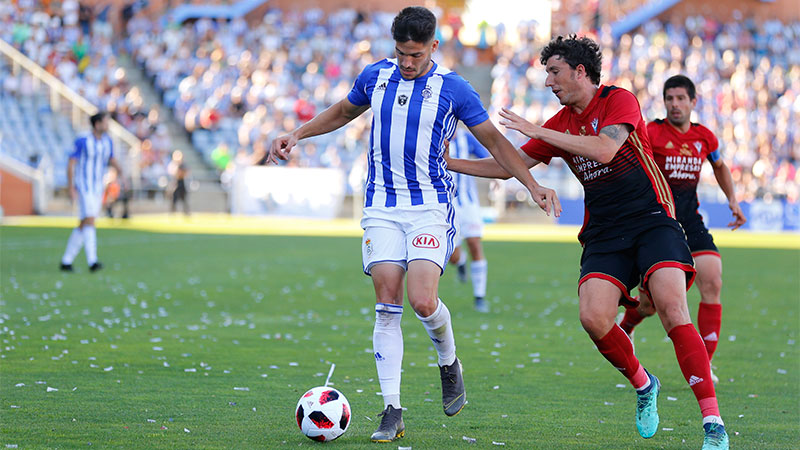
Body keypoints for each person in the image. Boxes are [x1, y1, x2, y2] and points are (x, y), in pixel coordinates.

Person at [266, 6, 559, 443]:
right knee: (387, 300)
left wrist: (532, 184)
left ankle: (449, 362)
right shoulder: (375, 76)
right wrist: (298, 134)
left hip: (430, 206)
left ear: (434, 47)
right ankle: (392, 409)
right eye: (401, 53)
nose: (406, 62)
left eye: (416, 55)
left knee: (423, 302)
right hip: (381, 205)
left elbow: (496, 142)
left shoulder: (454, 89)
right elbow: (344, 112)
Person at [445, 36, 729, 449]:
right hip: (605, 231)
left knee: (671, 306)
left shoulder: (618, 99)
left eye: (554, 72)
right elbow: (509, 166)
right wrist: (448, 162)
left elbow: (606, 149)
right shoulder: (560, 124)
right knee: (594, 318)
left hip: (652, 219)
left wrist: (537, 130)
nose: (548, 82)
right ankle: (644, 384)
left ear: (581, 72)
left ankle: (713, 423)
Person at [617, 75, 747, 384]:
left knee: (712, 280)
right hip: (658, 223)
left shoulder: (705, 137)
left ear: (693, 102)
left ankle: (705, 364)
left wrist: (733, 200)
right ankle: (626, 327)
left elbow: (719, 166)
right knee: (649, 305)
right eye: (669, 99)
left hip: (691, 221)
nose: (674, 104)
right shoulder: (651, 131)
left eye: (680, 98)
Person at [60, 111, 123, 272]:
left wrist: (123, 175)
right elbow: (71, 163)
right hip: (84, 186)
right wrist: (71, 187)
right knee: (90, 219)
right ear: (97, 124)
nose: (108, 125)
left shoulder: (108, 142)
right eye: (105, 122)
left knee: (84, 222)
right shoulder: (83, 140)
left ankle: (66, 261)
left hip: (97, 187)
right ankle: (92, 261)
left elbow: (112, 159)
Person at [447, 128, 491, 313]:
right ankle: (461, 261)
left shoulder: (467, 138)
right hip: (446, 205)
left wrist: (495, 175)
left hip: (469, 203)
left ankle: (479, 297)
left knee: (474, 243)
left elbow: (485, 156)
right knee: (451, 254)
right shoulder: (434, 133)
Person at [168, 150, 190, 215]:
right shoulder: (173, 164)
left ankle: (186, 212)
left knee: (184, 198)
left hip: (182, 183)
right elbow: (173, 173)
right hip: (175, 183)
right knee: (174, 198)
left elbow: (186, 173)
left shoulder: (183, 165)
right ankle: (173, 211)